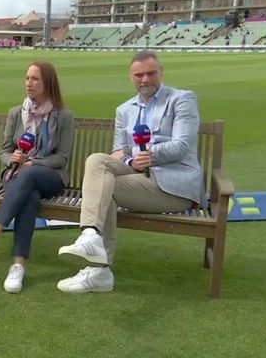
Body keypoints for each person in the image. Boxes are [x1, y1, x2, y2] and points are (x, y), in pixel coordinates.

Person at [56, 50, 202, 294]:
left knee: (106, 188)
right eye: (139, 75)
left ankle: (100, 270)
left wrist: (150, 155)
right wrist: (131, 161)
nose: (145, 80)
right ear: (131, 77)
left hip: (174, 186)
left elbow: (183, 146)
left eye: (150, 73)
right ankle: (91, 237)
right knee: (97, 161)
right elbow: (117, 152)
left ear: (161, 72)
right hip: (138, 179)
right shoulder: (124, 110)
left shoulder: (182, 99)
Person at [0, 61, 73, 293]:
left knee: (31, 174)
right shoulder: (16, 113)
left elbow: (62, 158)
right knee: (30, 197)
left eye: (35, 79)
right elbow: (3, 150)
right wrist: (12, 159)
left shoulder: (63, 116)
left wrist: (34, 163)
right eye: (27, 78)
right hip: (17, 175)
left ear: (48, 83)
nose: (29, 83)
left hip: (50, 177)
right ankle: (18, 266)